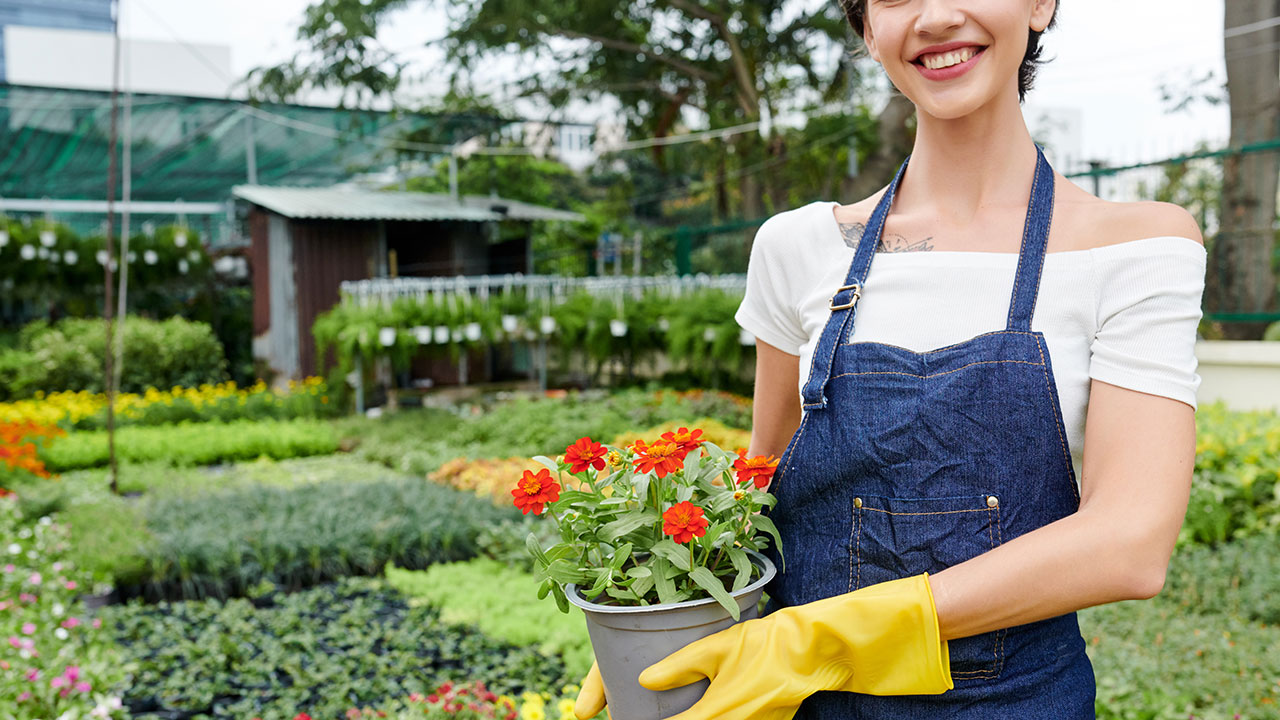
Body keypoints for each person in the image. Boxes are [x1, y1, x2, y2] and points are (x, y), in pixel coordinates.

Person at [575, 0, 1206, 717]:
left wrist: (826, 639)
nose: (935, 16)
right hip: (804, 704)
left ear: (1040, 4)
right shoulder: (799, 247)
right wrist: (659, 616)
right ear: (868, 28)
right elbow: (766, 484)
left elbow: (1129, 541)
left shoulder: (1135, 248)